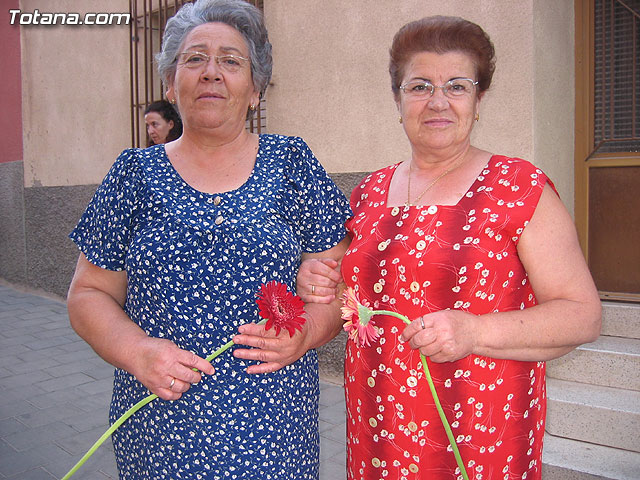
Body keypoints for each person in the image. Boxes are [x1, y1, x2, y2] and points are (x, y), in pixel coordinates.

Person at [298, 16, 602, 480]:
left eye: (457, 86)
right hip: (378, 432)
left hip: (480, 435)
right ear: (397, 99)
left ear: (479, 100)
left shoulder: (518, 188)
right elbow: (350, 296)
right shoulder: (369, 192)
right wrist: (319, 278)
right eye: (419, 86)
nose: (438, 101)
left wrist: (474, 331)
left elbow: (583, 314)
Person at [66, 0, 350, 478]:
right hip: (160, 426)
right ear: (169, 85)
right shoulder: (134, 174)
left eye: (231, 61)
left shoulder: (292, 163)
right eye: (194, 59)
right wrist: (138, 352)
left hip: (272, 428)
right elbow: (87, 295)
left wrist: (304, 335)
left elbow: (338, 288)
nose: (211, 73)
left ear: (256, 89)